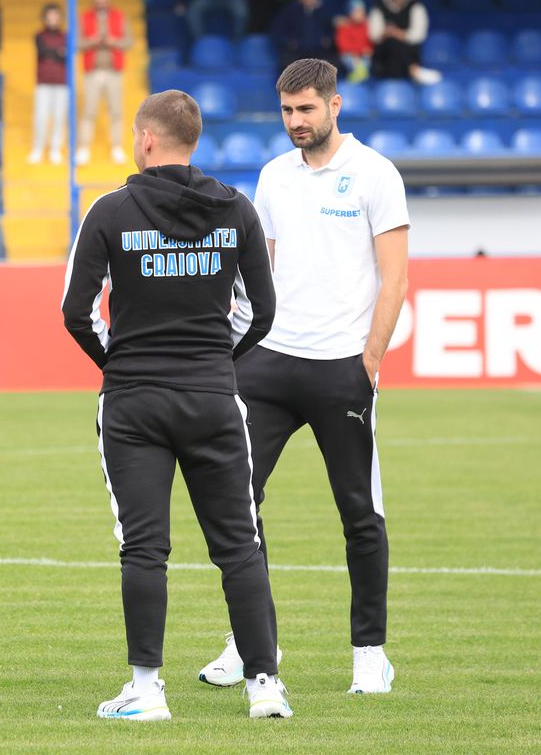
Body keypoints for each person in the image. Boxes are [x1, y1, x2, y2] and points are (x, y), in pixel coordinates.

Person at [62, 89, 291, 721]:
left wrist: (118, 363)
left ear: (145, 139)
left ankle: (146, 690)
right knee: (239, 543)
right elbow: (262, 313)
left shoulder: (109, 211)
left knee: (142, 546)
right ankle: (265, 684)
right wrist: (217, 359)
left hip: (133, 403)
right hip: (213, 396)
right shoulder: (235, 210)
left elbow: (75, 313)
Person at [201, 58, 408, 694]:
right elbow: (255, 270)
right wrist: (238, 347)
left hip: (342, 367)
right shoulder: (272, 178)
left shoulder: (375, 174)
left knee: (359, 514)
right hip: (268, 364)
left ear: (334, 106)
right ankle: (248, 644)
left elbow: (394, 277)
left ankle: (369, 654)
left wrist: (369, 360)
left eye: (307, 110)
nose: (296, 121)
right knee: (236, 505)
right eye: (287, 111)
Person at [76, 0, 132, 167]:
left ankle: (117, 146)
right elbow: (76, 43)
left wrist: (113, 41)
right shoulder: (84, 17)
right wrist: (92, 40)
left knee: (116, 111)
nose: (101, 0)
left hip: (113, 71)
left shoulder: (119, 16)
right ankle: (84, 148)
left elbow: (128, 42)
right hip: (92, 71)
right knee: (89, 111)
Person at [368, 0, 441, 85]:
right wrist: (387, 33)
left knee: (395, 42)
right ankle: (414, 70)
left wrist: (396, 33)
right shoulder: (378, 7)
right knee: (392, 42)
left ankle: (411, 70)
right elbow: (374, 35)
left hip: (409, 51)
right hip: (384, 57)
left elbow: (418, 35)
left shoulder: (416, 6)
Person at [28, 2, 68, 165]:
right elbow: (43, 52)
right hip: (43, 82)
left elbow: (64, 56)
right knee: (41, 116)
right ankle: (38, 148)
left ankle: (55, 149)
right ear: (45, 18)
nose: (53, 19)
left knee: (59, 117)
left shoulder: (66, 36)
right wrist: (57, 52)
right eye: (50, 16)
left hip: (61, 83)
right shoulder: (39, 35)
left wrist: (56, 54)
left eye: (56, 16)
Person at [272, 0, 339, 71]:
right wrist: (290, 43)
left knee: (332, 65)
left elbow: (334, 30)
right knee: (286, 64)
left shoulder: (325, 10)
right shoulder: (289, 11)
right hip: (296, 51)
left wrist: (327, 41)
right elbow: (277, 32)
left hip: (320, 50)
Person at [335, 0, 373, 83]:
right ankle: (357, 76)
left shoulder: (368, 24)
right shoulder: (344, 25)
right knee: (348, 59)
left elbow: (370, 43)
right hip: (350, 54)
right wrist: (356, 52)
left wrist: (366, 50)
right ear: (350, 13)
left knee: (367, 61)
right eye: (357, 11)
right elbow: (342, 45)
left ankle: (360, 76)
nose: (360, 14)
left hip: (364, 55)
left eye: (362, 11)